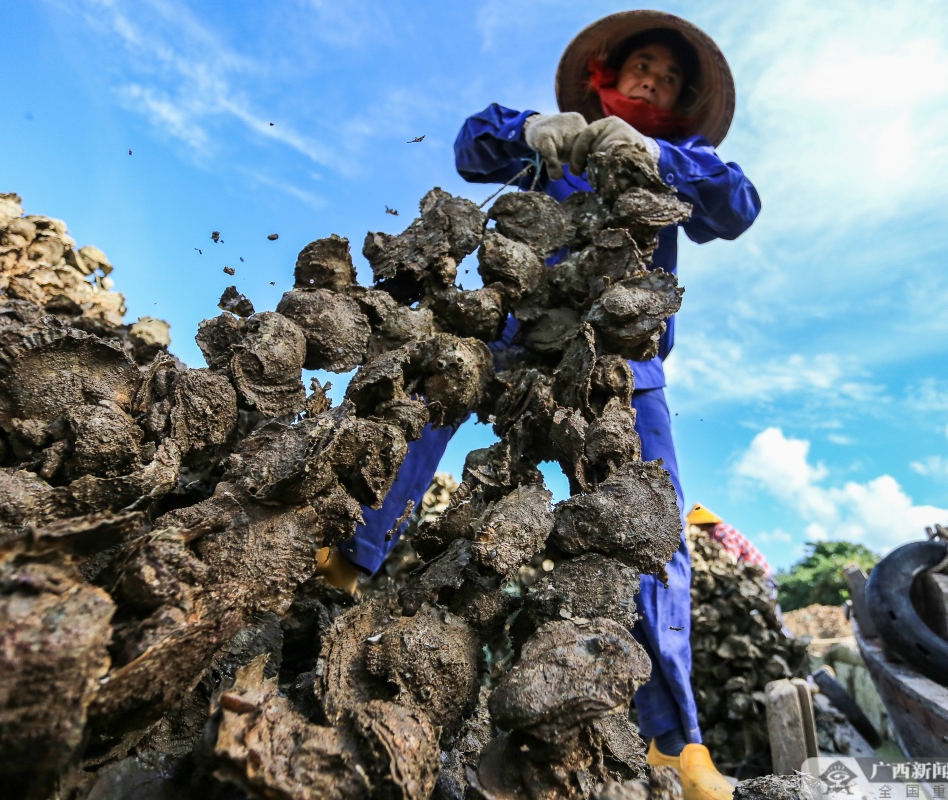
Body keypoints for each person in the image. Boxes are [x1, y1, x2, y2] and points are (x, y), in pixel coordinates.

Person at [320, 11, 760, 799]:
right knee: (429, 389)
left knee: (651, 516)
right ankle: (345, 565)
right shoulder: (555, 140)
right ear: (609, 73)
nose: (653, 81)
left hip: (620, 355)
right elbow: (470, 148)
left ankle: (674, 742)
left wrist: (655, 155)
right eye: (643, 66)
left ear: (681, 100)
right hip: (515, 325)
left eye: (668, 78)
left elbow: (738, 207)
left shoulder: (684, 161)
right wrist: (529, 130)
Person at [685, 503, 772, 581]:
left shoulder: (720, 530)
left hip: (761, 577)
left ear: (700, 524)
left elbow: (731, 558)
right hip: (755, 576)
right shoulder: (714, 534)